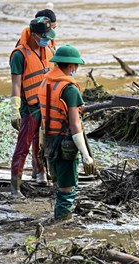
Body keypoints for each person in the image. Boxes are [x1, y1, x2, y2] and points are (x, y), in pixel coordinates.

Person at [38, 45, 95, 220]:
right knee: (67, 189)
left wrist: (42, 145)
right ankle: (61, 225)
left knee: (58, 183)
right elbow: (75, 124)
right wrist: (86, 155)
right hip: (65, 145)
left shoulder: (45, 82)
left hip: (48, 141)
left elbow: (43, 118)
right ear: (71, 66)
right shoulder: (69, 89)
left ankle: (58, 218)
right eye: (76, 66)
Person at [10, 17, 56, 197]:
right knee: (23, 147)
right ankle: (15, 188)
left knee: (44, 143)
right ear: (35, 35)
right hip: (29, 108)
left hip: (46, 105)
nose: (46, 39)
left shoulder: (49, 50)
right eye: (43, 36)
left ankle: (42, 174)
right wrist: (14, 109)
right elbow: (15, 84)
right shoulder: (19, 55)